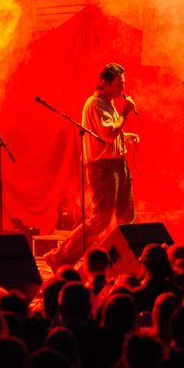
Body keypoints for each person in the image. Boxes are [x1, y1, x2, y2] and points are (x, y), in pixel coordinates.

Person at [47, 63, 138, 269]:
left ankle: (118, 261)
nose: (122, 89)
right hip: (103, 167)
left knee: (126, 217)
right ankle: (60, 256)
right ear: (104, 82)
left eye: (122, 84)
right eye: (118, 84)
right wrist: (126, 112)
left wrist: (126, 137)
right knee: (101, 219)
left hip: (117, 164)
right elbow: (108, 133)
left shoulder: (109, 103)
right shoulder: (95, 104)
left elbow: (109, 133)